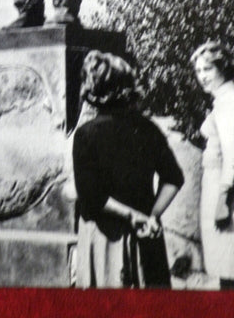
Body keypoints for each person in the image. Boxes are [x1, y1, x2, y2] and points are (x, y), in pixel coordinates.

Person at [72, 51, 184, 288]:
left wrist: (133, 216)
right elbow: (173, 178)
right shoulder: (148, 128)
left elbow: (91, 198)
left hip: (106, 239)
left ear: (92, 89)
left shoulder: (86, 134)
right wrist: (151, 216)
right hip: (147, 235)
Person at [191, 41, 234, 290]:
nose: (202, 76)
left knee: (231, 265)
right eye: (198, 71)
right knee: (228, 264)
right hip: (224, 184)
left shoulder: (227, 104)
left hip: (226, 187)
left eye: (208, 69)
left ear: (222, 68)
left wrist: (222, 200)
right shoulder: (226, 99)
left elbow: (232, 157)